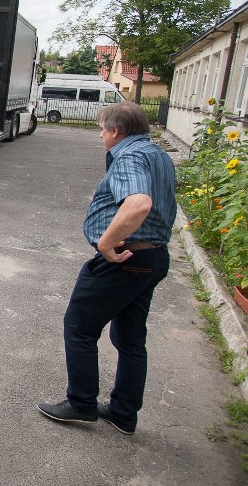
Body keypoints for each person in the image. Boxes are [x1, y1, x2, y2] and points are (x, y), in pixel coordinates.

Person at [37, 102, 176, 435]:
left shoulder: (129, 157)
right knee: (130, 338)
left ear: (116, 131)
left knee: (80, 326)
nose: (100, 134)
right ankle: (124, 413)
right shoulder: (158, 155)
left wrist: (105, 243)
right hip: (153, 257)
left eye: (102, 128)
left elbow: (139, 203)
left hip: (125, 259)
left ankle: (82, 403)